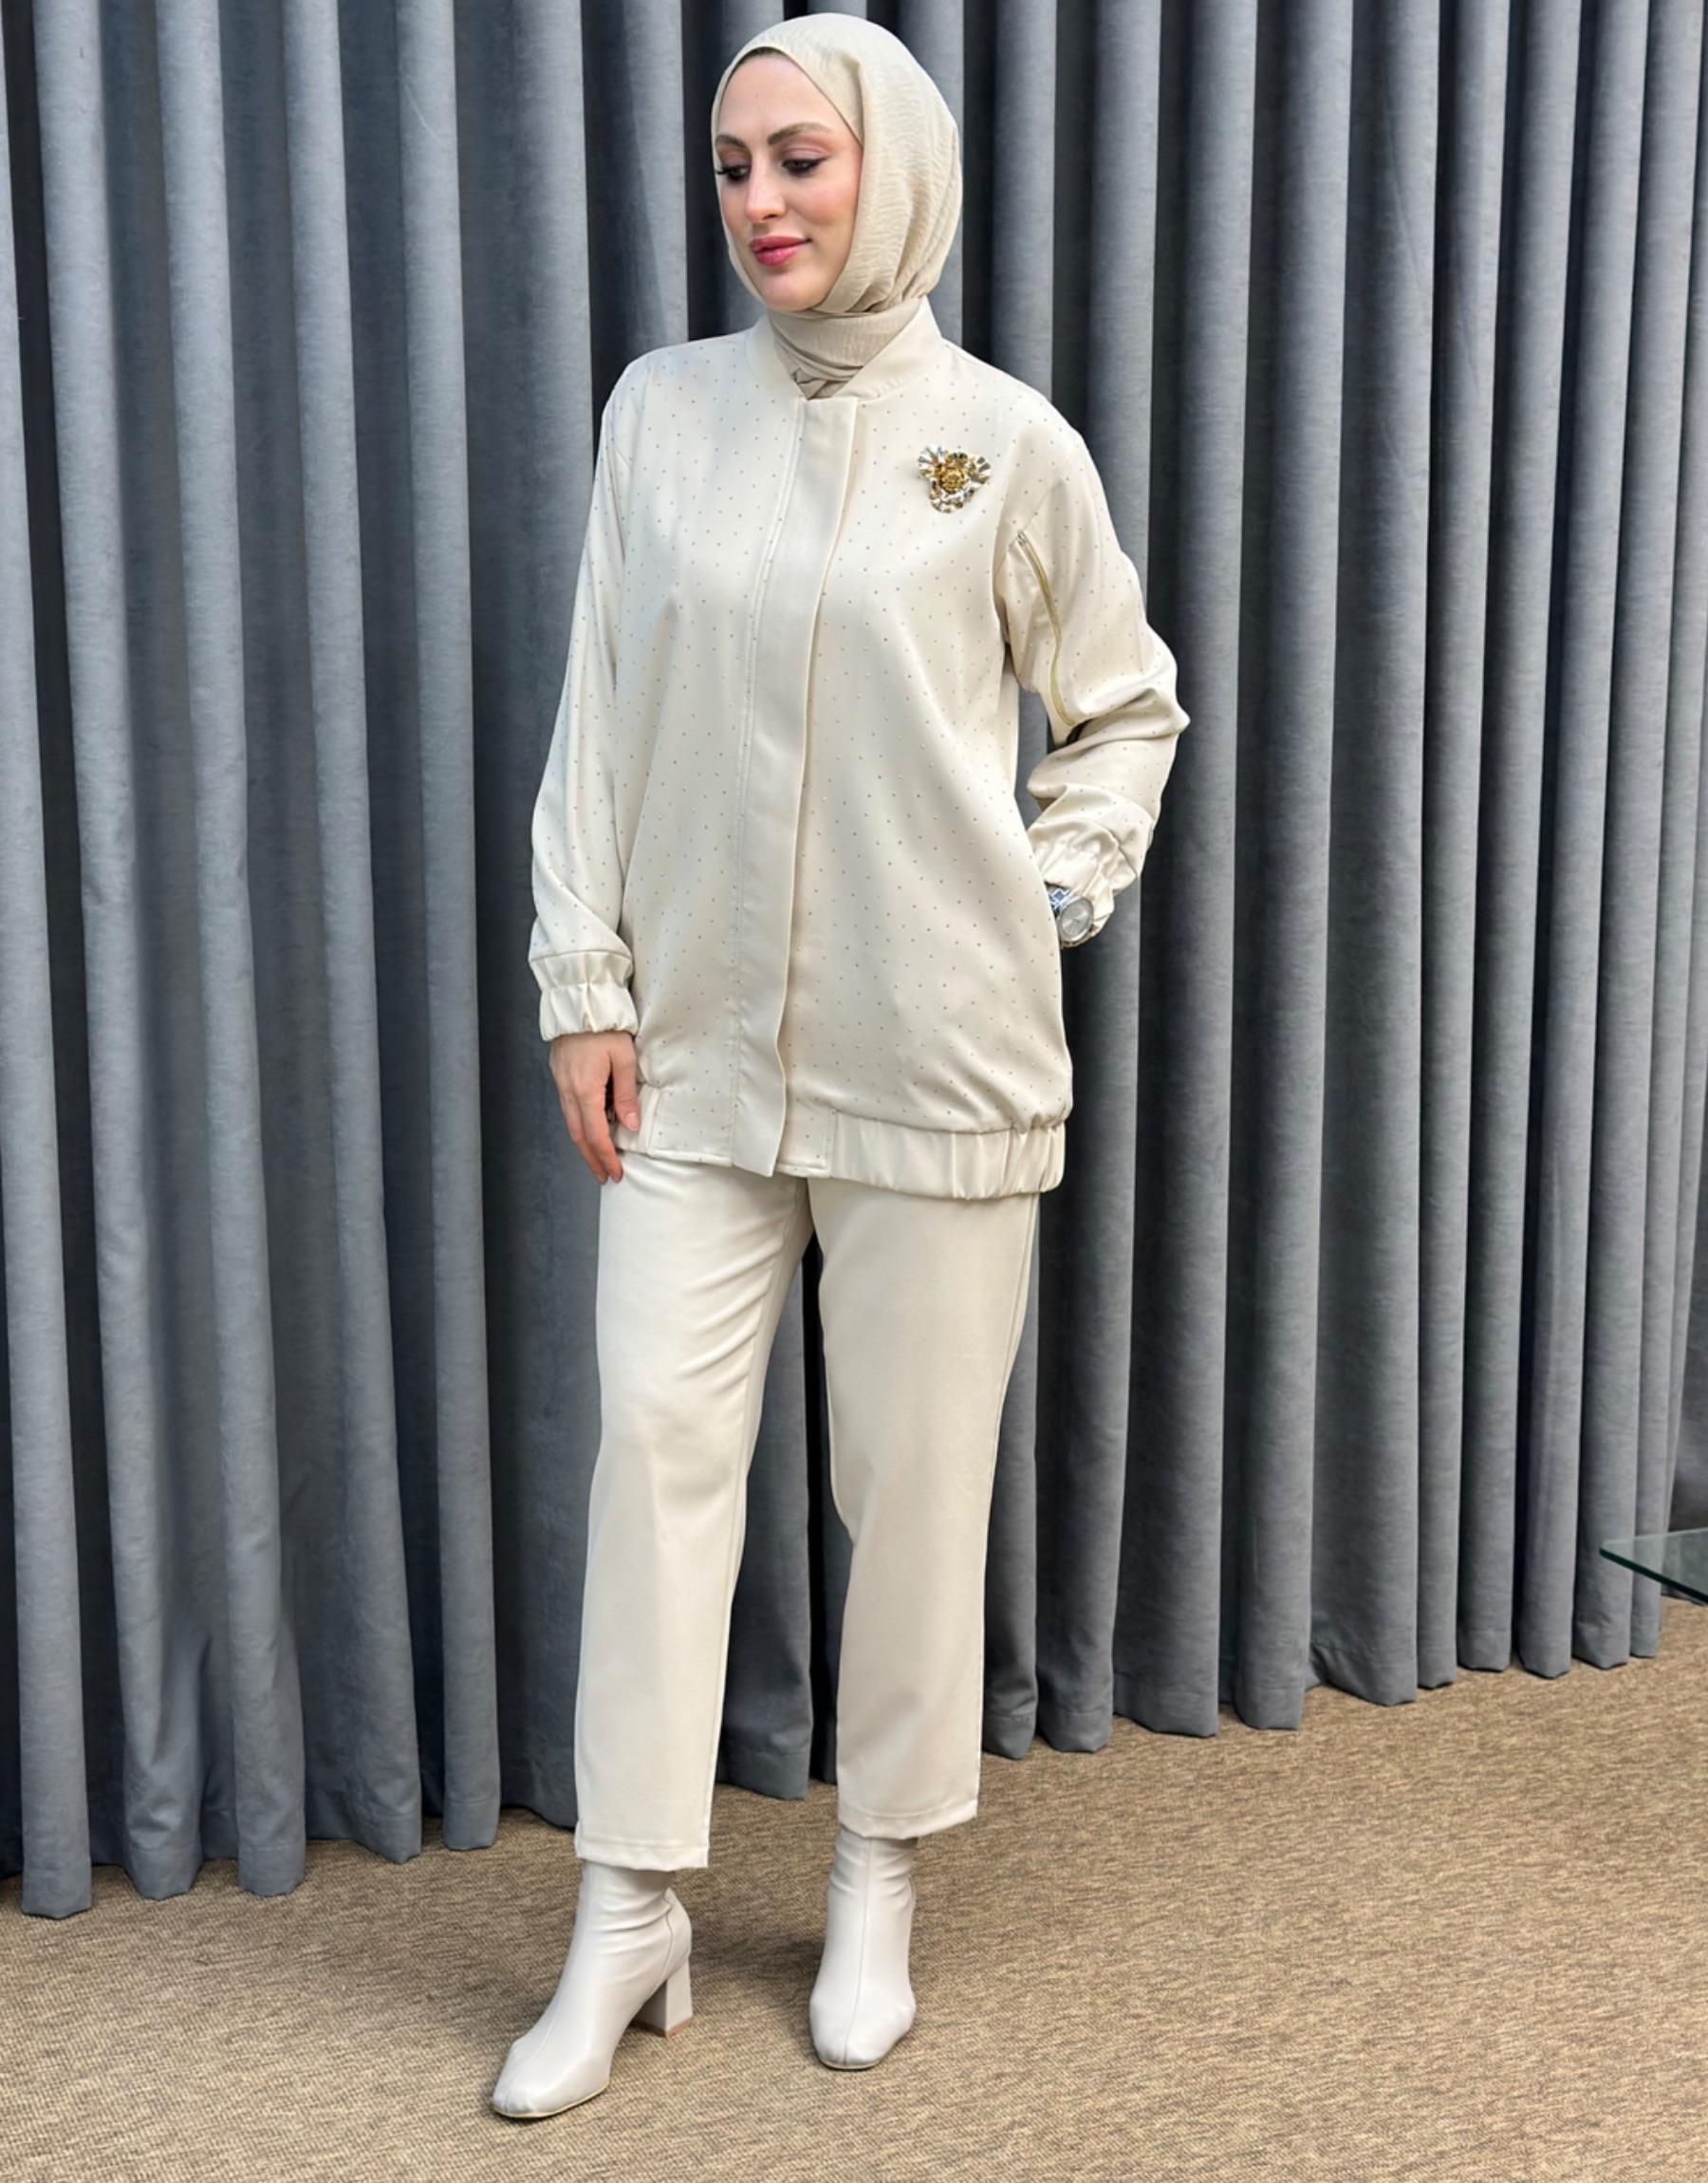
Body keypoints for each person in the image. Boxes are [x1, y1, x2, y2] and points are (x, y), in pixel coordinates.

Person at [492, 13, 1189, 2120]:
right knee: (656, 1450)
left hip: (939, 1059)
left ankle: (877, 1871)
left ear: (895, 165)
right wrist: (581, 977)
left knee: (911, 1482)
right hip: (694, 1054)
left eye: (801, 157)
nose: (763, 202)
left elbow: (1125, 707)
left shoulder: (1008, 446)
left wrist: (1046, 893)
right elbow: (599, 705)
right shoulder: (661, 413)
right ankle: (629, 1903)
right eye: (733, 166)